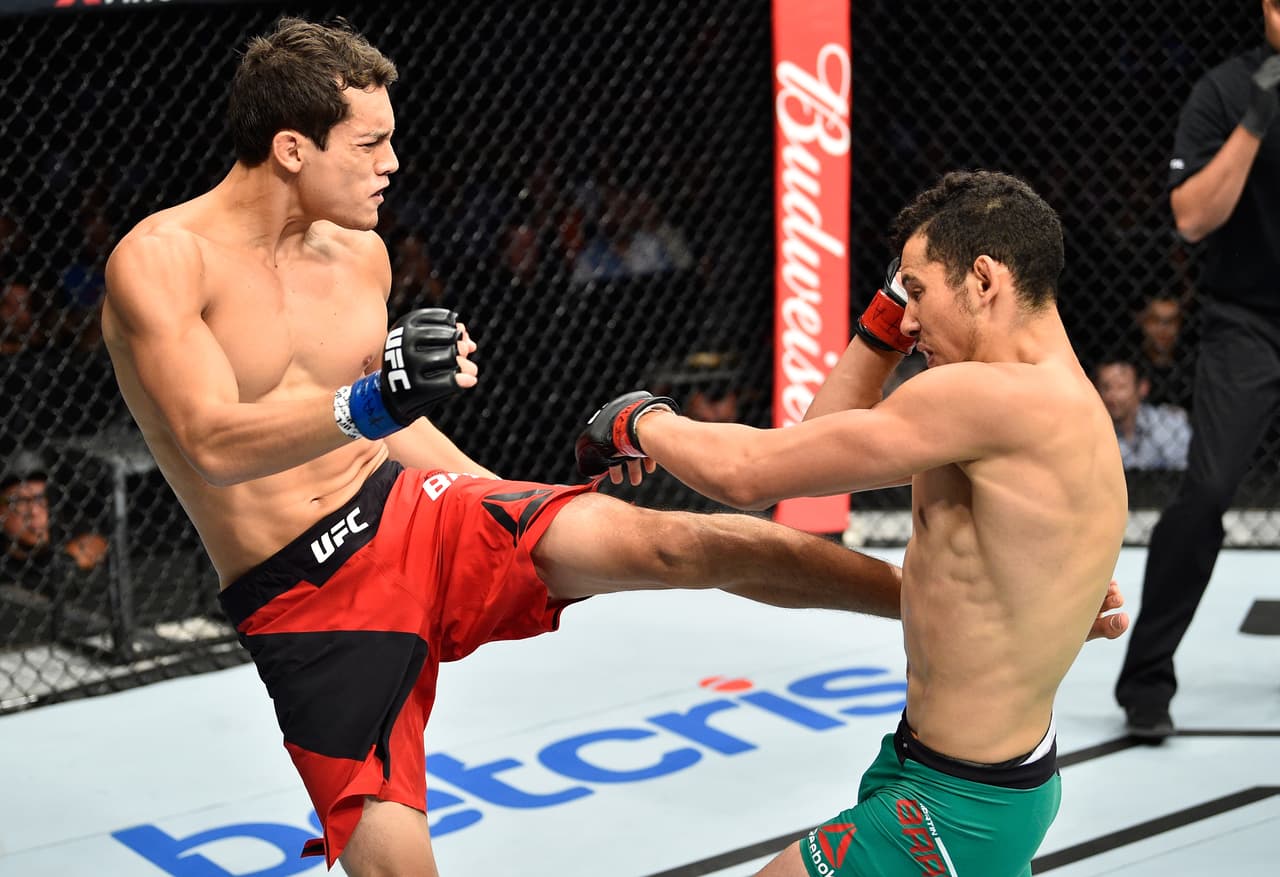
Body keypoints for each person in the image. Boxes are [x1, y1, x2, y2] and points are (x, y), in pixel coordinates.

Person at [98, 20, 1130, 877]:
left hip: (413, 508)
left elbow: (399, 422)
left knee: (687, 542)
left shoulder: (356, 256)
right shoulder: (161, 260)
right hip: (305, 588)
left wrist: (503, 495)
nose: (393, 165)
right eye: (370, 144)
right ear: (292, 146)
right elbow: (216, 444)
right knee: (394, 865)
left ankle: (944, 608)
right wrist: (375, 402)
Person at [577, 170, 1129, 876]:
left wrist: (638, 420)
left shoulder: (989, 399)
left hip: (956, 802)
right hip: (973, 779)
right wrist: (880, 323)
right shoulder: (1063, 405)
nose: (907, 320)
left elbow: (751, 473)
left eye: (917, 292)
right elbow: (826, 442)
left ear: (984, 279)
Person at [1114, 0, 1280, 742]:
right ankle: (1148, 678)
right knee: (1208, 490)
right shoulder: (1225, 90)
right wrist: (1258, 117)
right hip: (1248, 319)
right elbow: (1190, 217)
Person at [1093, 355, 1191, 470]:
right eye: (1106, 387)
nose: (1112, 396)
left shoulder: (1171, 424)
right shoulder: (1092, 432)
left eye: (1121, 387)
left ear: (1142, 388)